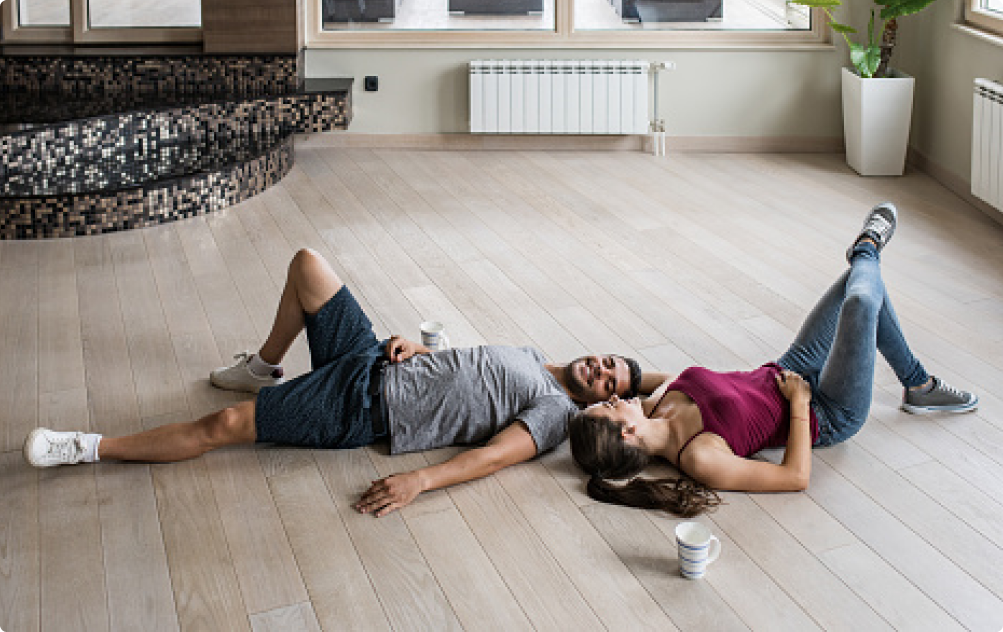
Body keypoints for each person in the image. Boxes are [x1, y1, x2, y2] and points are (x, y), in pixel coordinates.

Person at [23, 248, 665, 517]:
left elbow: (493, 457)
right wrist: (416, 346)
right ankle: (262, 368)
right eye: (608, 360)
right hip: (377, 357)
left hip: (362, 405)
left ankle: (84, 447)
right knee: (308, 265)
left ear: (602, 401)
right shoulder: (535, 354)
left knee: (223, 428)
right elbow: (467, 373)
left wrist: (420, 480)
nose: (603, 370)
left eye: (611, 381)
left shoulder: (554, 412)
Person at [569, 203, 979, 517]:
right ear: (626, 432)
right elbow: (794, 477)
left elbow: (638, 377)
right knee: (861, 301)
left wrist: (564, 376)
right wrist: (800, 404)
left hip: (791, 365)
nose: (613, 399)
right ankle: (868, 248)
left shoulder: (654, 403)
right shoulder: (699, 457)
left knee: (858, 288)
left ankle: (919, 385)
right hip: (826, 410)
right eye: (608, 407)